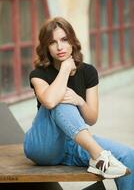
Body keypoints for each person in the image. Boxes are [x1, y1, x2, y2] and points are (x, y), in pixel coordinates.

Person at [24, 17, 134, 189]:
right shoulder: (38, 74)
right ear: (46, 46)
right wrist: (66, 68)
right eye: (53, 42)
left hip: (75, 144)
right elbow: (50, 101)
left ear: (72, 41)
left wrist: (80, 101)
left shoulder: (88, 72)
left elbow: (91, 118)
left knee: (129, 156)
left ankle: (99, 157)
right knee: (61, 98)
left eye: (64, 40)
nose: (60, 47)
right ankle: (99, 156)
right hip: (44, 144)